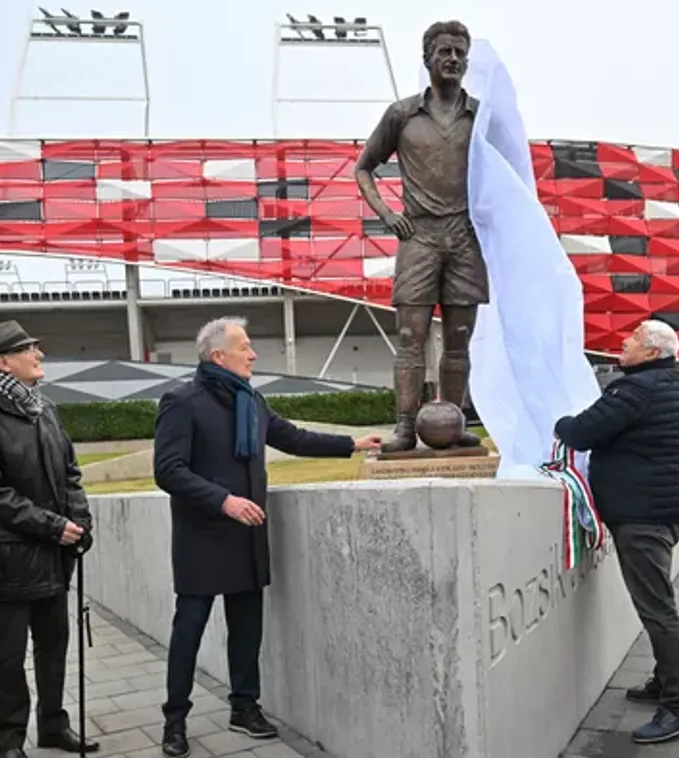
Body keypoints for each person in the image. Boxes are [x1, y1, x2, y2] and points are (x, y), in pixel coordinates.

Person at [153, 317, 383, 757]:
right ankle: (175, 721)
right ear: (218, 356)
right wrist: (223, 501)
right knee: (189, 631)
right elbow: (168, 470)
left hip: (247, 536)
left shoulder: (252, 401)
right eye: (245, 347)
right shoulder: (182, 402)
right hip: (203, 537)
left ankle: (244, 708)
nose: (253, 354)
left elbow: (292, 438)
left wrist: (351, 444)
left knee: (247, 630)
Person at [0, 321, 98, 758]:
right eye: (28, 349)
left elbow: (70, 472)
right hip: (8, 561)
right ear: (2, 361)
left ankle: (53, 727)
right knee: (9, 657)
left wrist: (79, 520)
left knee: (54, 649)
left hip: (53, 554)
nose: (39, 355)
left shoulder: (44, 408)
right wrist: (53, 526)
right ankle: (9, 741)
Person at [553, 319, 679, 745]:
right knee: (658, 602)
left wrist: (558, 420)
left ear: (651, 352)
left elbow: (581, 432)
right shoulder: (673, 384)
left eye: (633, 337)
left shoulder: (635, 390)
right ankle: (665, 680)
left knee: (657, 608)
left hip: (642, 516)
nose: (624, 340)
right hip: (664, 508)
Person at [355, 19, 485, 452]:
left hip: (465, 237)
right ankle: (405, 427)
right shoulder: (402, 114)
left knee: (459, 338)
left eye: (460, 53)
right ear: (427, 58)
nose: (453, 59)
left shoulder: (481, 115)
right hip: (419, 236)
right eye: (445, 51)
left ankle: (454, 423)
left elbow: (507, 175)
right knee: (410, 336)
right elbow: (363, 167)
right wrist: (387, 214)